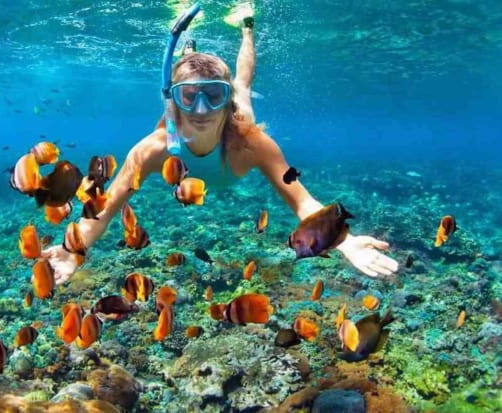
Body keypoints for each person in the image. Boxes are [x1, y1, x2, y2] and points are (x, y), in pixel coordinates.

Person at [43, 12, 399, 284]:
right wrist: (75, 248)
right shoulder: (153, 150)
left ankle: (246, 28)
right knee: (199, 73)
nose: (201, 111)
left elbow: (302, 200)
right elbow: (105, 209)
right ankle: (189, 51)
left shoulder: (252, 143)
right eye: (189, 97)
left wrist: (342, 239)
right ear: (175, 101)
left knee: (243, 82)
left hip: (239, 114)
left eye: (214, 96)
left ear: (226, 103)